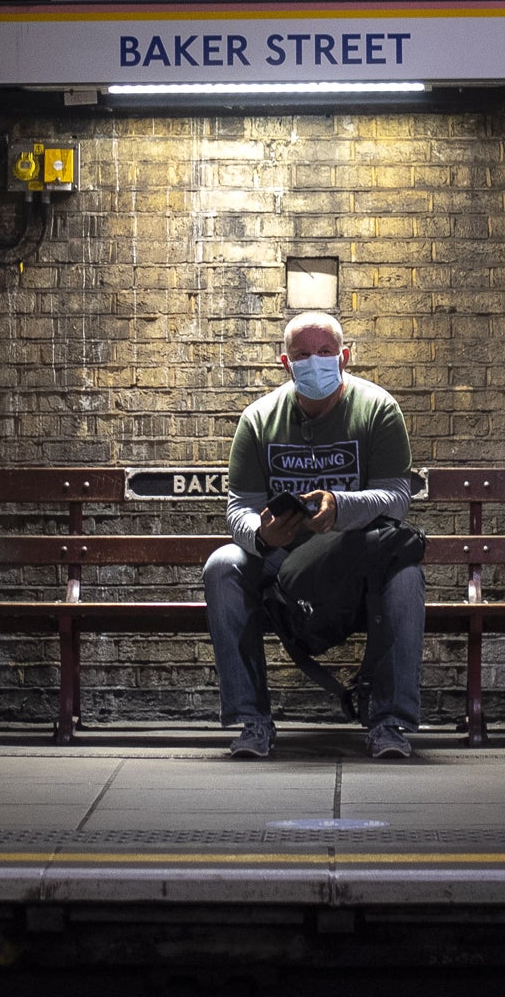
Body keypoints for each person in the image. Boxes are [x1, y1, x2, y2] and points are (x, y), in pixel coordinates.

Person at [203, 308, 424, 761]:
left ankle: (389, 723)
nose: (314, 362)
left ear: (344, 357)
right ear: (286, 363)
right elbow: (238, 505)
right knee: (222, 564)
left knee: (406, 579)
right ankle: (252, 720)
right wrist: (262, 536)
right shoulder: (259, 419)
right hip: (280, 562)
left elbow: (397, 497)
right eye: (302, 355)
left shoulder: (378, 409)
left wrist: (341, 507)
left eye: (325, 353)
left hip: (351, 563)